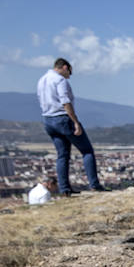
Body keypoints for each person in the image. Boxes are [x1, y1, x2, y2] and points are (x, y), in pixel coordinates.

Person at [36, 57, 103, 194]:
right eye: (69, 73)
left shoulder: (42, 80)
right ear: (65, 67)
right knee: (87, 151)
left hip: (48, 119)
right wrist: (75, 122)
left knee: (62, 155)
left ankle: (65, 189)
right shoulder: (60, 80)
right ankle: (94, 185)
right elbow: (65, 102)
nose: (69, 77)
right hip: (62, 118)